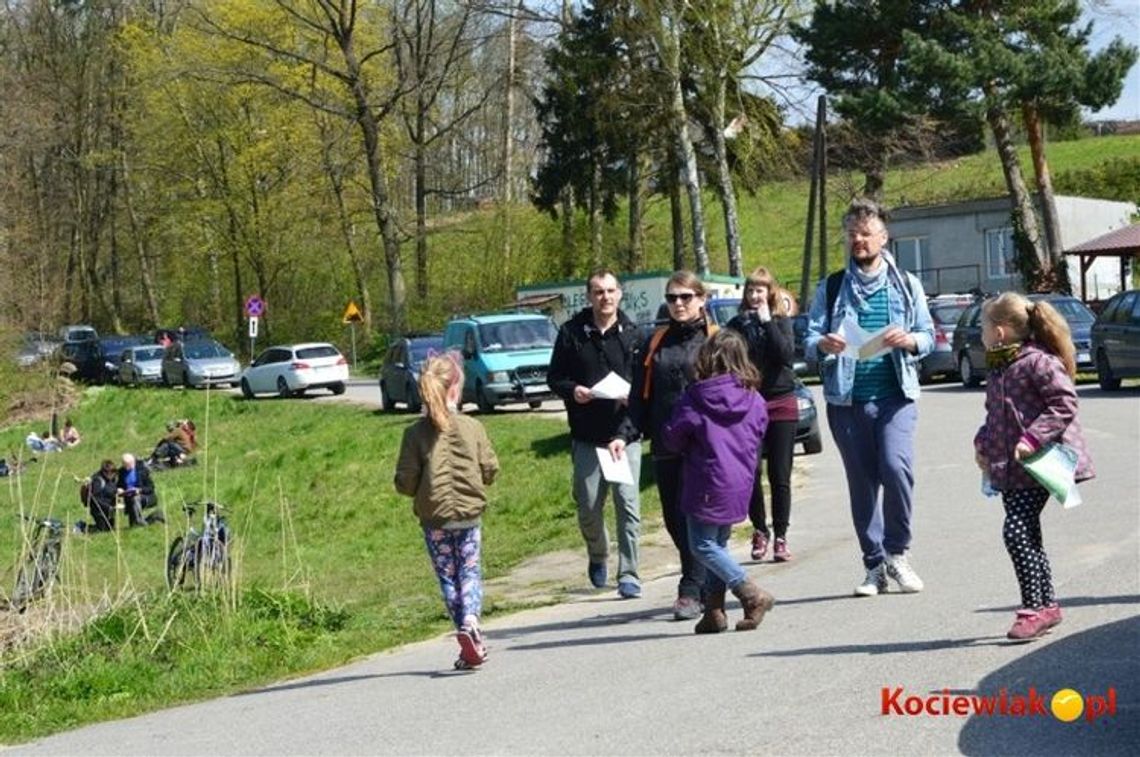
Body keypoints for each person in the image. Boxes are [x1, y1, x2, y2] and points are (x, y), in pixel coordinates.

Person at [804, 198, 935, 597]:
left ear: (883, 237)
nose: (858, 240)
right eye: (852, 234)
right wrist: (823, 344)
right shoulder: (831, 287)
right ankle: (874, 565)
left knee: (896, 468)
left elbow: (928, 335)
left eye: (866, 233)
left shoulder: (906, 284)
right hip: (846, 401)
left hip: (896, 396)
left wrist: (909, 340)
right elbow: (808, 338)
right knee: (862, 485)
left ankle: (897, 552)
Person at [973, 292, 1094, 641]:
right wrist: (982, 443)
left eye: (983, 327)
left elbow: (1064, 403)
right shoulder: (999, 366)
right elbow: (994, 415)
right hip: (1010, 469)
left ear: (999, 332)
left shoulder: (1039, 362)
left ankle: (1032, 609)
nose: (981, 334)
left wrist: (1032, 438)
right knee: (1027, 533)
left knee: (1016, 531)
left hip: (1040, 464)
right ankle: (1047, 605)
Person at [618, 270, 717, 620]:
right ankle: (707, 579)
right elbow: (639, 398)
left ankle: (691, 588)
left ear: (702, 299)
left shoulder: (717, 340)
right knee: (674, 520)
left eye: (685, 297)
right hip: (665, 443)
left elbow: (737, 392)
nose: (678, 304)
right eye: (672, 298)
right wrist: (624, 434)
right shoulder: (654, 342)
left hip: (706, 447)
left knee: (695, 516)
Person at [662, 330, 774, 633]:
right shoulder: (754, 397)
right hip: (740, 479)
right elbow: (761, 430)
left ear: (708, 358)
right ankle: (714, 611)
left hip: (707, 479)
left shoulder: (697, 397)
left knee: (702, 545)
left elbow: (674, 438)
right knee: (719, 544)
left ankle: (750, 593)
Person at [395, 353, 500, 670]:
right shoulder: (472, 427)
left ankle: (468, 639)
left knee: (448, 578)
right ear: (456, 389)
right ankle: (471, 623)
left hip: (434, 518)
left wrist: (413, 486)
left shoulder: (415, 434)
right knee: (469, 571)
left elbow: (405, 482)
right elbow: (490, 469)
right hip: (468, 515)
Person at [547, 268, 643, 599]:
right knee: (588, 507)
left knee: (627, 505)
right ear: (589, 296)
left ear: (620, 294)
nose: (606, 297)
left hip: (624, 436)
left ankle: (629, 574)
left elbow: (644, 386)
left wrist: (632, 404)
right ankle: (598, 553)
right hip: (587, 436)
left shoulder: (634, 335)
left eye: (611, 291)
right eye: (599, 292)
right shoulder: (571, 333)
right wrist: (573, 391)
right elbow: (554, 377)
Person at [727, 266, 799, 563]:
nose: (755, 295)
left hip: (782, 402)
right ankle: (759, 529)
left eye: (760, 290)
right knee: (751, 472)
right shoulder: (737, 325)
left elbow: (786, 356)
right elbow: (729, 359)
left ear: (770, 293)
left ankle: (781, 535)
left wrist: (768, 323)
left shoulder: (781, 322)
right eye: (750, 290)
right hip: (750, 404)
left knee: (780, 474)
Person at [117, 453, 162, 527]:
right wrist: (119, 489)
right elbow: (119, 485)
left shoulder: (142, 470)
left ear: (133, 462)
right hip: (128, 499)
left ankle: (140, 522)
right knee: (133, 525)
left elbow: (151, 487)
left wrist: (140, 490)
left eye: (129, 465)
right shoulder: (121, 472)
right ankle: (154, 516)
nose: (127, 468)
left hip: (145, 496)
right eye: (125, 465)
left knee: (135, 498)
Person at [84, 460, 121, 532]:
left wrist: (118, 493)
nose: (113, 474)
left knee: (110, 529)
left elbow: (112, 490)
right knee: (102, 529)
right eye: (111, 472)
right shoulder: (98, 481)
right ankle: (84, 527)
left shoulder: (113, 479)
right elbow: (94, 498)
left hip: (110, 509)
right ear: (104, 472)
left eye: (114, 471)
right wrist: (108, 507)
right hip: (99, 510)